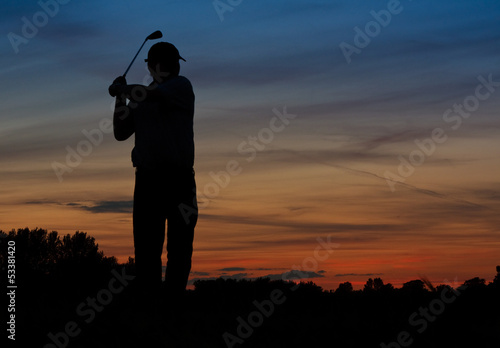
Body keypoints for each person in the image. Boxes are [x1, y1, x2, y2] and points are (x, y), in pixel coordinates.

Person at [109, 42, 198, 307]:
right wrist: (119, 99)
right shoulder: (140, 97)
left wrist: (122, 89)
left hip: (179, 180)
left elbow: (154, 96)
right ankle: (152, 309)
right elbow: (121, 132)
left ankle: (171, 305)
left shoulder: (181, 86)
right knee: (147, 252)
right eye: (172, 61)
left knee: (179, 250)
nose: (176, 66)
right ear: (157, 65)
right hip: (149, 181)